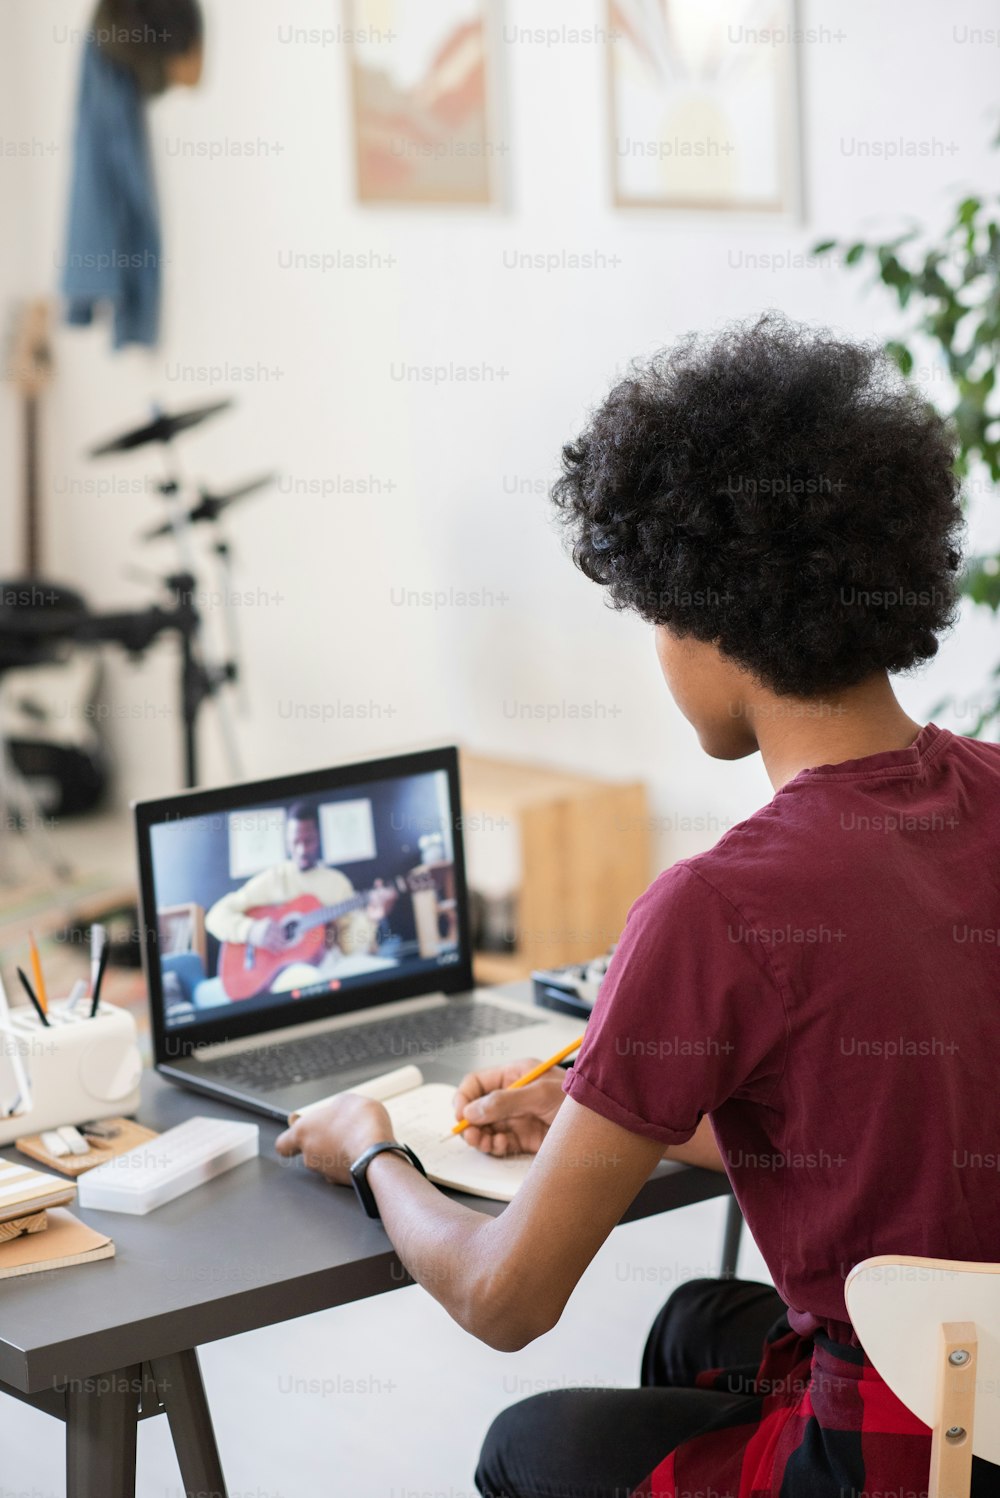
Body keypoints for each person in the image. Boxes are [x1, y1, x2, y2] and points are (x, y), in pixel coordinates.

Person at [276, 316, 1000, 1496]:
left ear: (709, 621)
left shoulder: (715, 904)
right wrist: (596, 1110)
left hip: (906, 1453)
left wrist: (374, 1155)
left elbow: (506, 1299)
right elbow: (893, 1115)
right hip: (985, 1386)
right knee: (692, 1323)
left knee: (526, 1443)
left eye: (654, 615)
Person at [205, 802, 397, 991]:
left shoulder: (338, 883)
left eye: (309, 841)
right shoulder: (273, 878)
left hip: (331, 965)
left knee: (388, 969)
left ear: (319, 838)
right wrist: (251, 930)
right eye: (295, 842)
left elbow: (350, 949)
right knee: (311, 982)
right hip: (285, 974)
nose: (302, 850)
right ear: (287, 841)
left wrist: (372, 918)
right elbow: (215, 916)